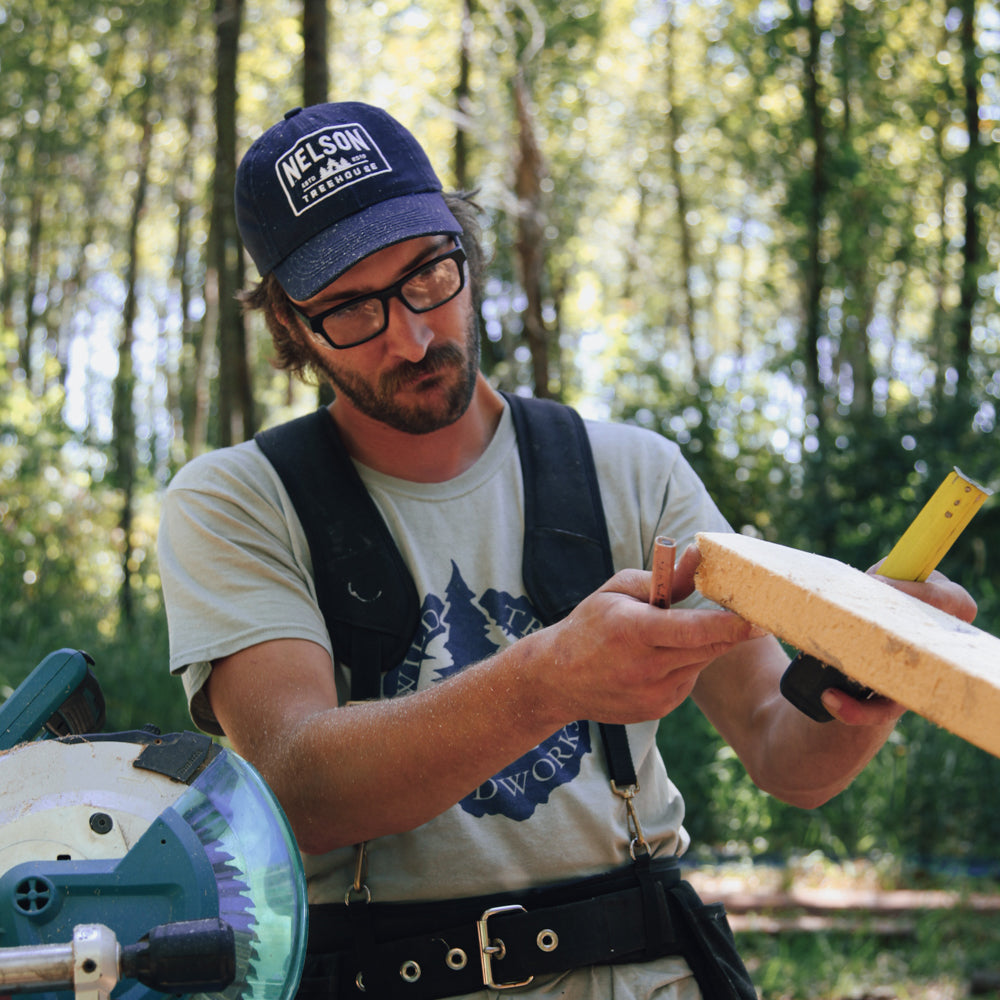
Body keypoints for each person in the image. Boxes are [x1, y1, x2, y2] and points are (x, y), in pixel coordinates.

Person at [157, 101, 977, 1000]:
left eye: (429, 274)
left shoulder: (634, 472)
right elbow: (298, 787)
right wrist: (550, 678)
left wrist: (866, 669)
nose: (413, 334)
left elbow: (787, 757)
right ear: (290, 327)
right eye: (351, 308)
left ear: (466, 251)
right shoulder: (237, 501)